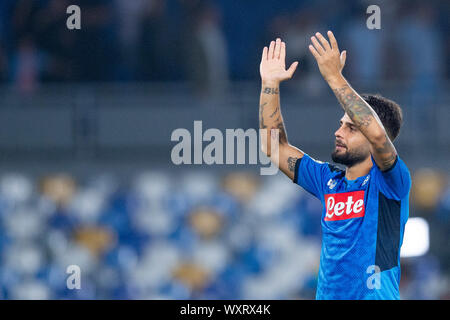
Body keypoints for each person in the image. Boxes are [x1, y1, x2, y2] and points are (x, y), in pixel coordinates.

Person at [258, 32, 411, 300]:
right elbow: (274, 147)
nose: (339, 132)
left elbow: (376, 134)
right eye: (341, 124)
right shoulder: (329, 181)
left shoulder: (391, 184)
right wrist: (269, 85)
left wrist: (334, 77)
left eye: (351, 127)